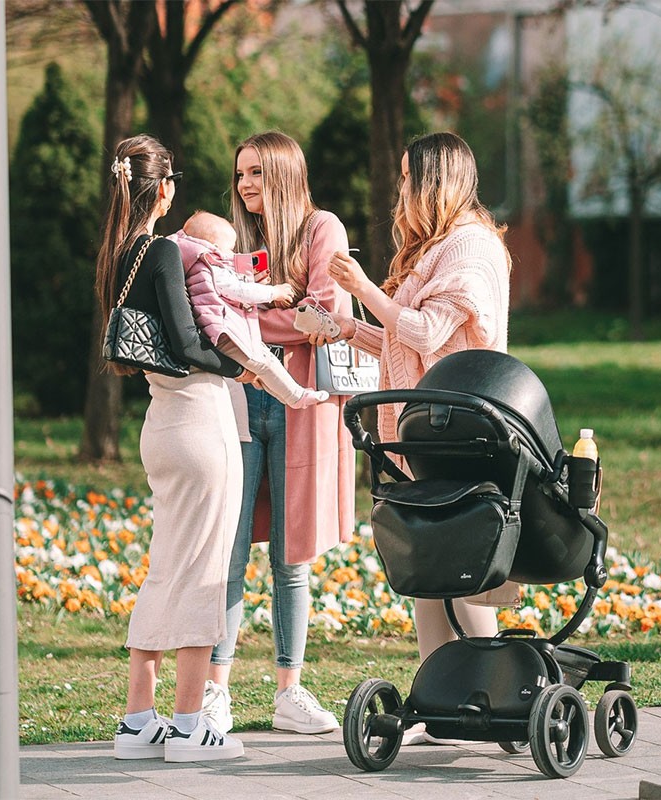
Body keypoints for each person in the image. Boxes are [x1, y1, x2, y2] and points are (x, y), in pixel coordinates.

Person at [317, 131, 515, 743]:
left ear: (435, 181)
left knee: (465, 565)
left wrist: (361, 289)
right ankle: (441, 700)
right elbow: (404, 342)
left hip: (463, 432)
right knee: (428, 561)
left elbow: (428, 333)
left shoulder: (471, 250)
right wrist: (343, 327)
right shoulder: (438, 251)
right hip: (428, 432)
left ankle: (497, 694)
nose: (400, 190)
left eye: (407, 178)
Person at [97, 135, 246, 762]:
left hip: (160, 424)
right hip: (198, 422)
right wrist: (243, 367)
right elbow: (188, 345)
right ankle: (189, 726)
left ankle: (139, 721)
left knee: (167, 567)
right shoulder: (161, 250)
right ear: (163, 190)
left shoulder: (117, 252)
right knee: (204, 572)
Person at [202, 131, 355, 736]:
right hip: (240, 404)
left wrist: (247, 313)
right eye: (240, 174)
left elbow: (324, 317)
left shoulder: (323, 231)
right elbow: (216, 306)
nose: (245, 185)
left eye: (257, 173)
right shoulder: (235, 238)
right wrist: (274, 311)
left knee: (292, 557)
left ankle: (289, 692)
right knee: (230, 551)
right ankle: (217, 690)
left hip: (302, 408)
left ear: (285, 174)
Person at [170, 211, 329, 409]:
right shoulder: (211, 267)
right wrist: (274, 292)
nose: (232, 254)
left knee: (263, 362)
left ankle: (289, 395)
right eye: (229, 249)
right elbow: (238, 291)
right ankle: (296, 397)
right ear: (212, 247)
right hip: (223, 330)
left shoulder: (196, 263)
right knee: (263, 362)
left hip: (218, 328)